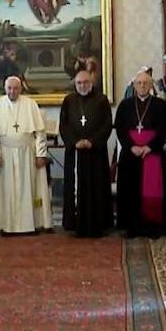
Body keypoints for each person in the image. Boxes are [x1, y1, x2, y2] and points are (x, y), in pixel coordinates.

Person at [0, 76, 51, 234]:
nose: (12, 91)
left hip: (26, 153)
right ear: (5, 88)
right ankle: (5, 224)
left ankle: (30, 224)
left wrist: (40, 154)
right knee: (6, 190)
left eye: (15, 88)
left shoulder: (30, 104)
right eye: (9, 88)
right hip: (5, 154)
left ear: (21, 89)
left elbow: (40, 133)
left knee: (29, 189)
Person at [115, 69, 166, 238]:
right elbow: (120, 128)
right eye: (139, 83)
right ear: (134, 85)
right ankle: (132, 226)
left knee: (152, 191)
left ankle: (152, 226)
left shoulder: (161, 105)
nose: (142, 86)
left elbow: (165, 128)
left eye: (146, 83)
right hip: (130, 154)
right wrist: (131, 146)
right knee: (131, 190)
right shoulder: (125, 105)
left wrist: (150, 146)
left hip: (152, 153)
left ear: (151, 85)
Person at [59, 69, 113, 238]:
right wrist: (75, 142)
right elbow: (63, 125)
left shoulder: (102, 100)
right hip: (75, 152)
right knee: (76, 187)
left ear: (92, 83)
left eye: (85, 82)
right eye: (79, 83)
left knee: (95, 188)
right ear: (75, 84)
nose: (82, 86)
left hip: (95, 152)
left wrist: (92, 141)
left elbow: (107, 125)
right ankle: (75, 223)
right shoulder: (69, 100)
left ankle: (97, 223)